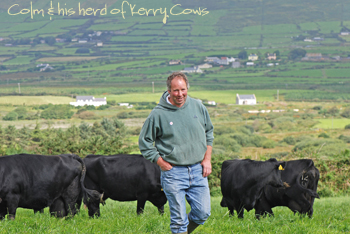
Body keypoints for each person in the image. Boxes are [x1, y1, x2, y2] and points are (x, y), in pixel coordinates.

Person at [138, 72, 214, 234]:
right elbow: (144, 142)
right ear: (169, 91)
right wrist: (160, 162)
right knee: (179, 220)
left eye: (183, 89)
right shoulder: (158, 114)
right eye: (176, 91)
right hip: (174, 172)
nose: (180, 94)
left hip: (198, 169)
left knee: (202, 213)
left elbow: (209, 132)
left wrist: (207, 159)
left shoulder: (198, 106)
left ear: (187, 88)